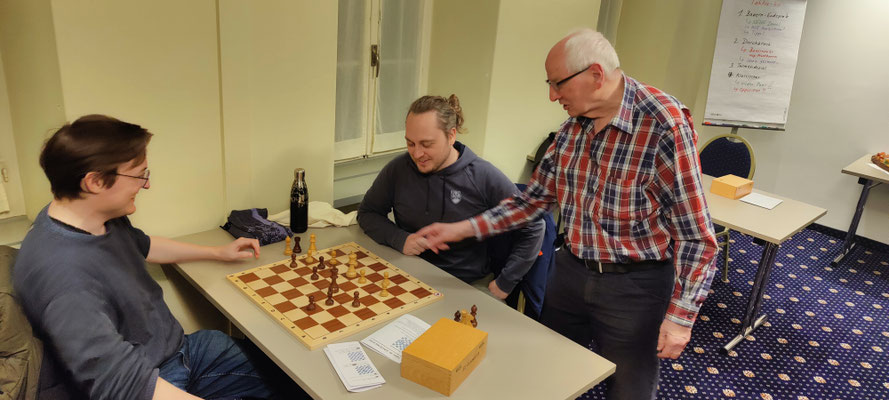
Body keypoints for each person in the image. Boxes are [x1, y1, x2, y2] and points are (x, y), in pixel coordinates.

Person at [416, 29, 718, 400]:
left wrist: (681, 317)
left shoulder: (663, 124)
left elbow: (695, 234)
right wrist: (463, 228)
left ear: (596, 75)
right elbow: (532, 201)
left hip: (635, 286)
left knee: (629, 388)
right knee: (550, 372)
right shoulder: (572, 128)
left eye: (558, 83)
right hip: (570, 271)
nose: (552, 95)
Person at [13, 115, 306, 399]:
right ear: (95, 182)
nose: (147, 185)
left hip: (180, 351)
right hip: (149, 380)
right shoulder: (63, 277)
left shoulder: (92, 216)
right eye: (139, 175)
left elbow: (143, 245)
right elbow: (124, 387)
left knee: (294, 378)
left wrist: (217, 252)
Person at [357, 94, 545, 300]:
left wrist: (507, 281)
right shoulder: (398, 169)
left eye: (426, 144)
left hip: (465, 285)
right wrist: (400, 239)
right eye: (410, 143)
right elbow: (368, 213)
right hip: (407, 274)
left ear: (451, 135)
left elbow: (534, 225)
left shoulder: (482, 175)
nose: (417, 154)